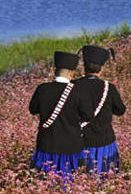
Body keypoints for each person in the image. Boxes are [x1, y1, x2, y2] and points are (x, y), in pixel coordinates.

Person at [29, 51, 93, 179]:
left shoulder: (42, 89)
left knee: (45, 182)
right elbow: (88, 116)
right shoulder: (78, 91)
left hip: (46, 143)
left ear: (55, 71)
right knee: (70, 181)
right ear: (71, 73)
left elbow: (33, 110)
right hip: (71, 146)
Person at [75, 45, 126, 175]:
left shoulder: (72, 85)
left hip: (79, 141)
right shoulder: (109, 87)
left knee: (79, 180)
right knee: (106, 178)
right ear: (101, 69)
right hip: (105, 141)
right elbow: (120, 110)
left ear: (84, 67)